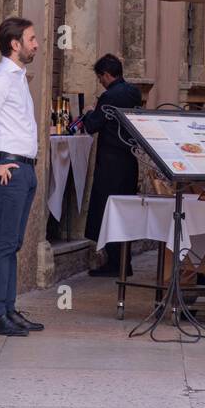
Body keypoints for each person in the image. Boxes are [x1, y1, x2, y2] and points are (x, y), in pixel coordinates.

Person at [0, 17, 44, 336]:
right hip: (8, 169)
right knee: (2, 243)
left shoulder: (18, 77)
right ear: (15, 44)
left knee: (12, 243)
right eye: (31, 38)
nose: (37, 43)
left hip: (24, 168)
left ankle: (8, 308)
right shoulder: (2, 77)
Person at [83, 55, 142, 276]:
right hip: (129, 160)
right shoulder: (133, 92)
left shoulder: (109, 97)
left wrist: (89, 111)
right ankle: (124, 262)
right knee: (124, 212)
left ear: (107, 75)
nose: (101, 82)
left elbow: (93, 125)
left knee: (108, 211)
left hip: (110, 163)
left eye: (100, 78)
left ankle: (115, 264)